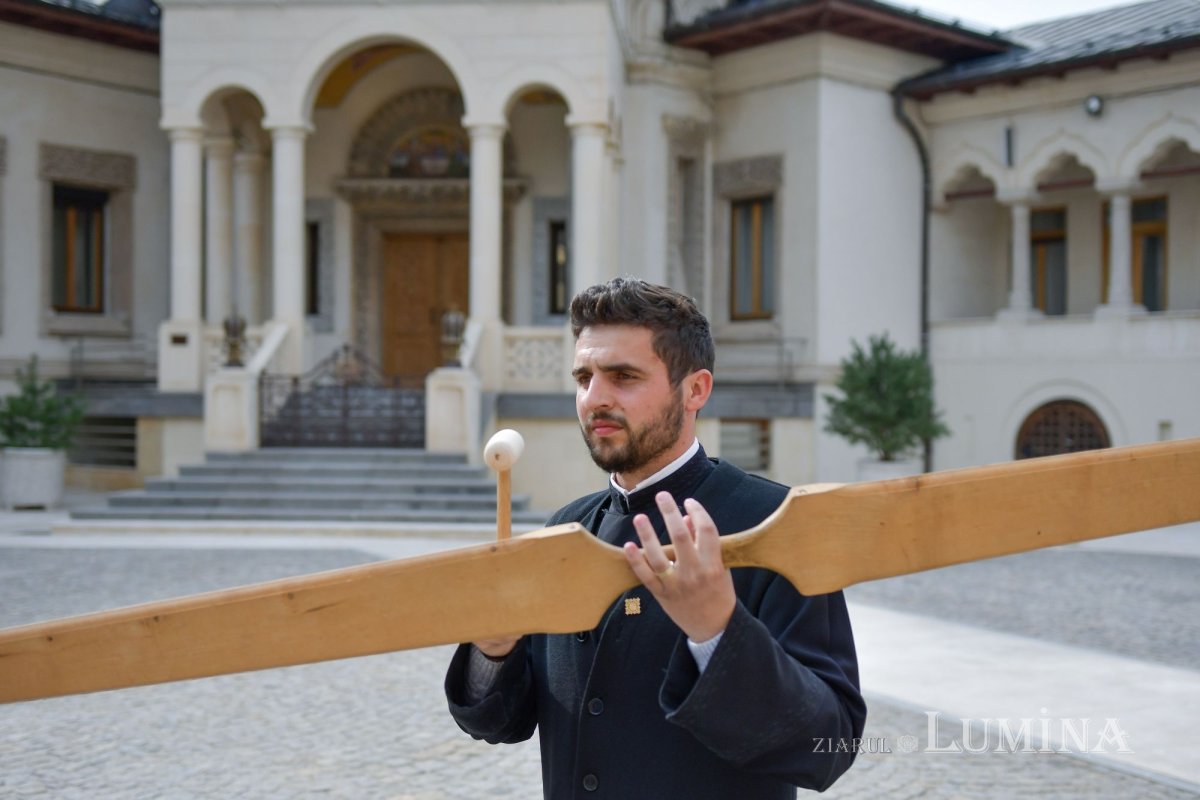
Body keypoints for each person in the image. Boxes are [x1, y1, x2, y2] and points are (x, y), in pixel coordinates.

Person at [445, 278, 865, 798]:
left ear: (695, 390)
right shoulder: (562, 530)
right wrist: (493, 651)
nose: (594, 398)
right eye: (583, 376)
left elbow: (831, 745)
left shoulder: (780, 524)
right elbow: (499, 722)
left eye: (623, 376)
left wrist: (718, 631)